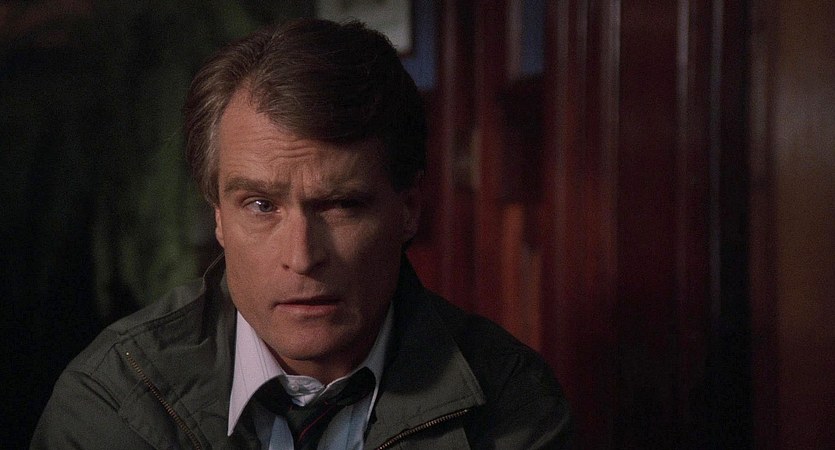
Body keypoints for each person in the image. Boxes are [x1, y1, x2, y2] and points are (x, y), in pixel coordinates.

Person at [31, 18, 571, 449]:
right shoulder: (115, 399)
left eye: (340, 205)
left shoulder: (509, 402)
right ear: (218, 216)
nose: (302, 256)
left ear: (408, 210)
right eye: (261, 205)